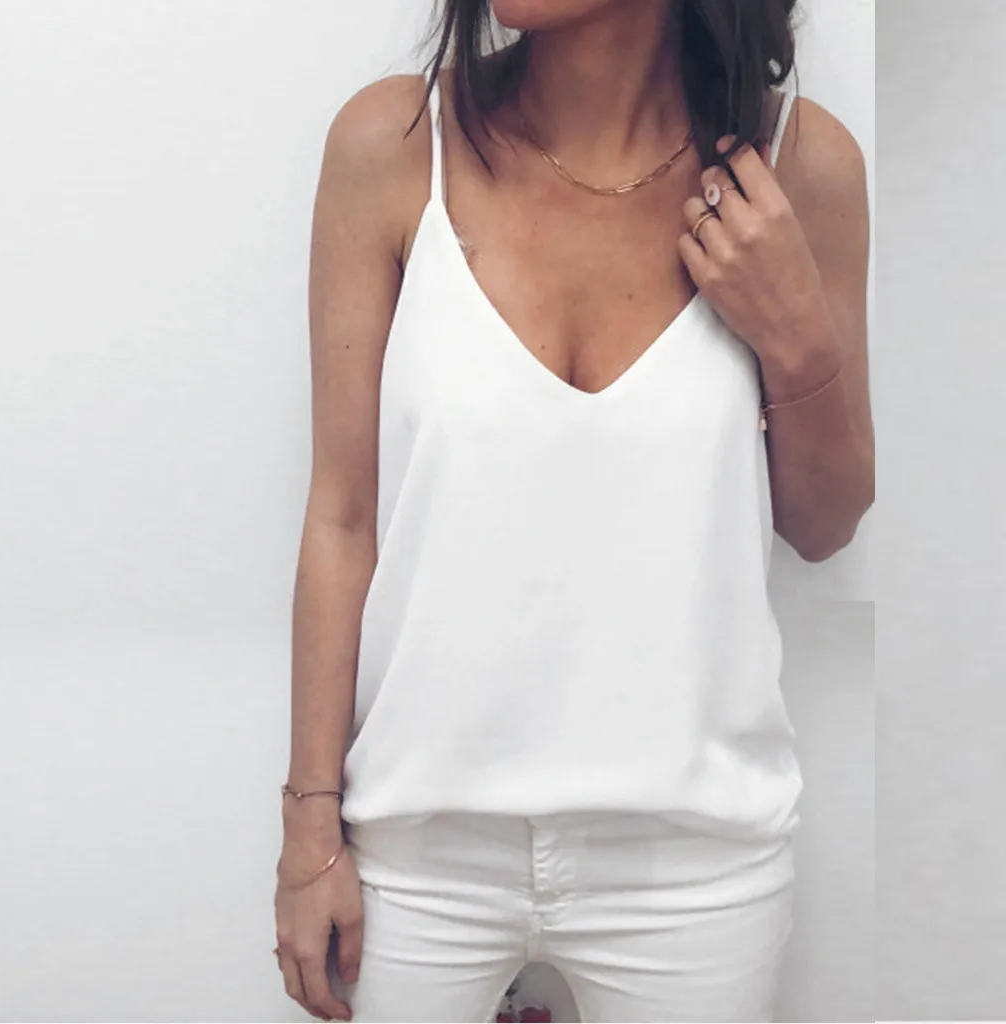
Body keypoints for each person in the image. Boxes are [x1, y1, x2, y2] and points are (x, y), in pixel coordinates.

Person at [274, 0, 874, 1020]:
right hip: (417, 852)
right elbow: (342, 516)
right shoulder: (395, 145)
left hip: (692, 863)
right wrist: (308, 829)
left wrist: (795, 333)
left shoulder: (798, 167)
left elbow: (824, 525)